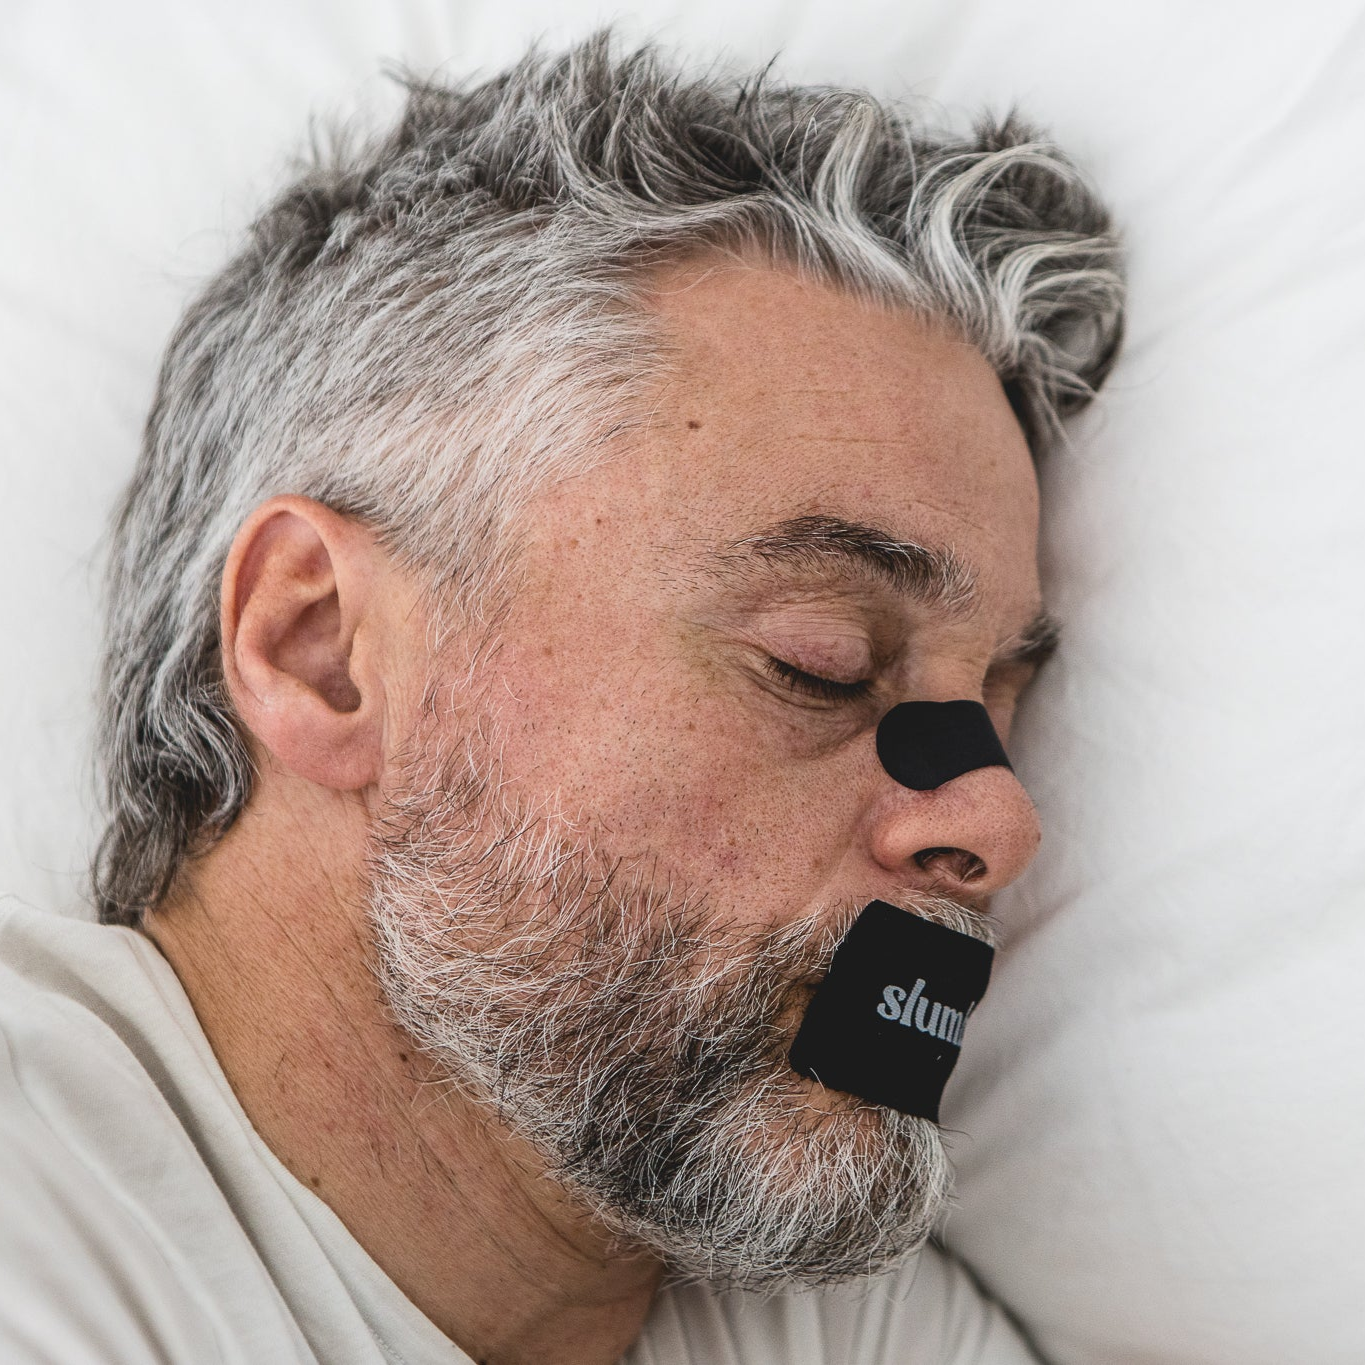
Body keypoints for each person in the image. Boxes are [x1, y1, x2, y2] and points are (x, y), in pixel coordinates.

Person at [0, 30, 1124, 1365]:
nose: (997, 822)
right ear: (321, 651)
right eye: (819, 661)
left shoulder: (845, 1324)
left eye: (996, 704)